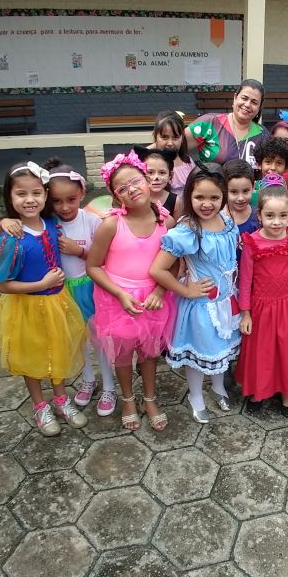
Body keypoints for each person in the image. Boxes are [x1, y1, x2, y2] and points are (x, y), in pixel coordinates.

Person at [0, 159, 118, 418]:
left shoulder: (93, 221)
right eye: (57, 201)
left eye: (71, 200)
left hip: (92, 289)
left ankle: (109, 387)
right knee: (75, 342)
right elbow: (23, 222)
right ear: (48, 199)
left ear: (82, 194)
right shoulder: (48, 221)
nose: (64, 207)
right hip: (63, 294)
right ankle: (88, 381)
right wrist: (5, 221)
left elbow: (107, 257)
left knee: (99, 340)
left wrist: (80, 251)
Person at [0, 162, 87, 436]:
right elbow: (2, 284)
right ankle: (39, 405)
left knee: (59, 350)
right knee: (31, 356)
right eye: (21, 194)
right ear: (9, 197)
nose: (29, 200)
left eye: (36, 193)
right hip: (27, 307)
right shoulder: (11, 238)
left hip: (58, 302)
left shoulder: (52, 223)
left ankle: (61, 400)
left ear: (44, 195)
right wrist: (40, 284)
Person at [87, 151, 177, 432]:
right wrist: (120, 294)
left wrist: (161, 292)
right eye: (122, 188)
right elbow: (93, 266)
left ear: (148, 179)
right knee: (123, 355)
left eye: (136, 181)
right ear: (116, 196)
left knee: (149, 354)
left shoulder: (167, 223)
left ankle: (149, 398)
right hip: (119, 301)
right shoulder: (111, 224)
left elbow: (175, 266)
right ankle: (127, 399)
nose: (131, 190)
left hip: (153, 300)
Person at [150, 164, 241, 424]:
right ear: (188, 195)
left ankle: (218, 388)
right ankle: (195, 396)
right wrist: (185, 290)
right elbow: (158, 269)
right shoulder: (188, 230)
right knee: (201, 354)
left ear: (223, 195)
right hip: (202, 306)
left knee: (220, 349)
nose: (207, 204)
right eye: (199, 197)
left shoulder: (226, 221)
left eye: (214, 197)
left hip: (226, 300)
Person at [236, 180, 288, 415]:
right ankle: (258, 390)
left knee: (287, 350)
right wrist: (245, 313)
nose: (276, 222)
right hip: (261, 306)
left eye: (283, 216)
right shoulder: (252, 242)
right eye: (270, 215)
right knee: (262, 351)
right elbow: (245, 280)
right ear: (259, 215)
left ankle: (287, 392)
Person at [186, 79, 270, 167]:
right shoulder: (210, 123)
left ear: (259, 107)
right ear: (235, 98)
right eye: (244, 98)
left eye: (254, 102)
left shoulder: (262, 134)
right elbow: (174, 146)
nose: (248, 104)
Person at [149, 110, 195, 195]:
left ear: (182, 138)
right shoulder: (146, 163)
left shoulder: (188, 162)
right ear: (155, 137)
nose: (170, 143)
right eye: (164, 137)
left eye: (175, 137)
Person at [134, 145, 178, 215]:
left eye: (162, 173)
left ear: (170, 175)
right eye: (150, 172)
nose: (156, 177)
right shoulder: (135, 198)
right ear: (141, 174)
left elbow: (177, 225)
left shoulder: (176, 202)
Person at [223, 159, 259, 237]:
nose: (241, 198)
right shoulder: (217, 217)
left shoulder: (259, 217)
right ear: (224, 189)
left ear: (253, 187)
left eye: (245, 191)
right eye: (234, 192)